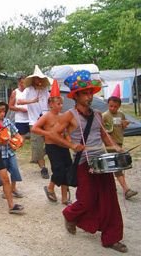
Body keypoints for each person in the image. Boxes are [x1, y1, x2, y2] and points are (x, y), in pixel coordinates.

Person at [54, 70, 128, 253]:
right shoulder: (69, 115)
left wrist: (115, 147)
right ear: (77, 96)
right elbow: (55, 135)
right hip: (83, 163)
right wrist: (71, 145)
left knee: (110, 199)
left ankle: (112, 237)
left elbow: (103, 134)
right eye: (85, 93)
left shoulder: (96, 114)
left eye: (90, 93)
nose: (89, 96)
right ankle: (69, 214)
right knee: (86, 200)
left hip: (101, 161)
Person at [32, 81, 83, 204]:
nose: (61, 106)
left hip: (63, 146)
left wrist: (70, 142)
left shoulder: (63, 116)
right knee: (58, 170)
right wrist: (47, 134)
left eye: (62, 103)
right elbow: (34, 128)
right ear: (50, 104)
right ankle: (50, 188)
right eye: (58, 103)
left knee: (68, 169)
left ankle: (64, 197)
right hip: (52, 147)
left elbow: (66, 132)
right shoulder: (46, 116)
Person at [102, 88, 137, 200]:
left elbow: (122, 127)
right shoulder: (105, 115)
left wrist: (125, 124)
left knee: (118, 165)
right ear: (108, 104)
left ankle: (111, 186)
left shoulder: (121, 114)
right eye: (111, 106)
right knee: (117, 166)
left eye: (115, 106)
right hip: (111, 144)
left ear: (119, 106)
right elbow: (103, 131)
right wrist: (111, 143)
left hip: (120, 142)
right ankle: (126, 189)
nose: (113, 108)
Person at [17, 65, 50, 179]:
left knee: (52, 143)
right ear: (33, 79)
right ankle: (43, 168)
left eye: (40, 78)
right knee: (37, 145)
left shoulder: (45, 90)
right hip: (34, 122)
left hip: (47, 121)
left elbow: (50, 101)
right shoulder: (28, 90)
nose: (39, 80)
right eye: (37, 78)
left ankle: (39, 155)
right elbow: (19, 101)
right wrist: (31, 101)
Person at [0, 101, 24, 199]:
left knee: (14, 169)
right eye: (0, 111)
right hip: (0, 153)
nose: (2, 113)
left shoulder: (8, 121)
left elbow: (16, 132)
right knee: (3, 174)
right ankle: (5, 190)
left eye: (4, 111)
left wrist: (20, 139)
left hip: (10, 151)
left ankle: (13, 188)